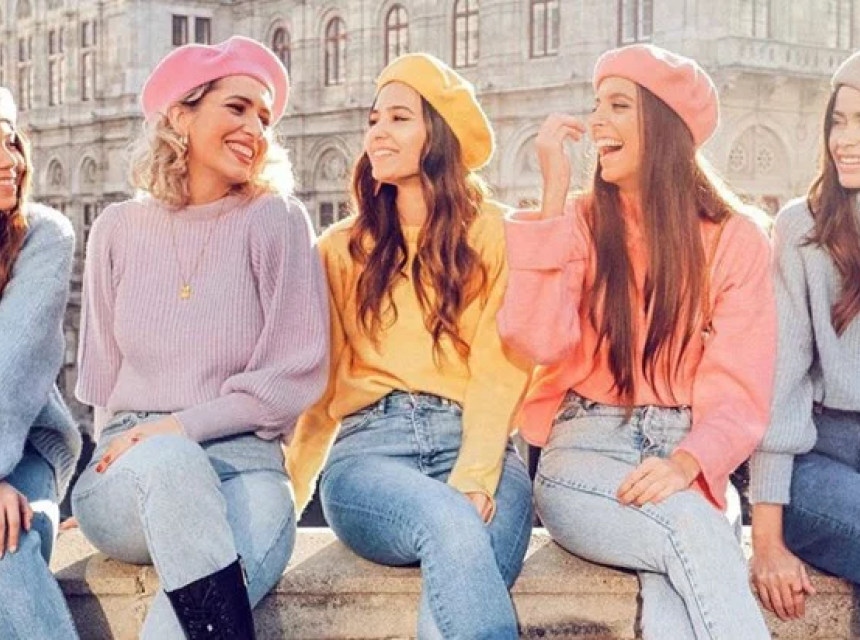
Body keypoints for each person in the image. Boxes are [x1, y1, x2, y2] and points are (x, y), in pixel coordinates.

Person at [498, 44, 775, 639]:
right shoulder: (579, 222)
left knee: (676, 587)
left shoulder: (736, 239)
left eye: (618, 105)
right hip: (584, 451)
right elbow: (536, 340)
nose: (597, 120)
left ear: (665, 123)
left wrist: (687, 462)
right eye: (597, 104)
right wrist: (552, 199)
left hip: (688, 453)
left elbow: (739, 388)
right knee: (693, 528)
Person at [71, 37, 329, 639]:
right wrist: (122, 473)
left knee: (179, 625)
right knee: (171, 463)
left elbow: (293, 375)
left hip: (247, 472)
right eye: (236, 108)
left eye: (264, 118)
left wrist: (179, 426)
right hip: (133, 462)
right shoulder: (116, 228)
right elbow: (103, 379)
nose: (255, 129)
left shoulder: (276, 219)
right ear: (180, 116)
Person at [289, 53, 534, 639]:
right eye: (374, 119)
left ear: (439, 136)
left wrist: (475, 474)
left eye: (399, 118)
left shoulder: (497, 233)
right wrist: (285, 500)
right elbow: (317, 395)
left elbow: (500, 368)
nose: (378, 132)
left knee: (453, 576)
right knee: (451, 524)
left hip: (478, 449)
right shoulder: (338, 249)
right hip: (368, 458)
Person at [750, 49, 860, 621]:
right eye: (838, 121)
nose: (845, 139)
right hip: (819, 457)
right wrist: (766, 542)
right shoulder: (802, 227)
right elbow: (781, 385)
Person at [0, 86, 81, 639]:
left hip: (25, 446)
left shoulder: (44, 235)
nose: (11, 160)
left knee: (8, 544)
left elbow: (9, 369)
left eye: (11, 142)